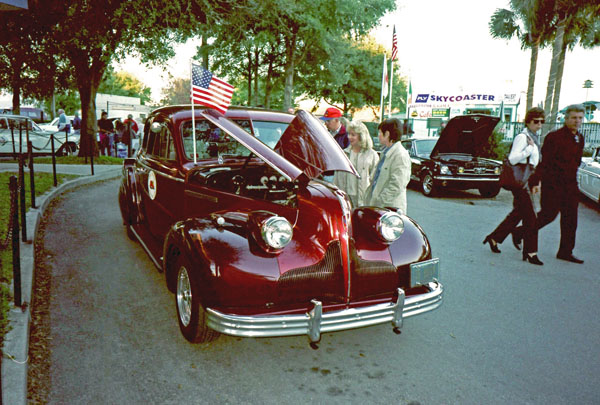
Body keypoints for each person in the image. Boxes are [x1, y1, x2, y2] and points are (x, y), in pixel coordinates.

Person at [514, 104, 586, 264]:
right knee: (548, 215)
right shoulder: (554, 137)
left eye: (580, 118)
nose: (577, 121)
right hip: (552, 184)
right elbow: (544, 162)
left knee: (570, 219)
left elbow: (577, 161)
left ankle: (565, 251)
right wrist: (535, 182)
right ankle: (520, 232)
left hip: (571, 185)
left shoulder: (579, 138)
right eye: (574, 118)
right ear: (566, 119)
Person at [483, 107, 544, 265]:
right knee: (531, 218)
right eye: (536, 121)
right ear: (528, 121)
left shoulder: (534, 137)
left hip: (526, 181)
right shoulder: (523, 138)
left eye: (541, 122)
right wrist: (529, 150)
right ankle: (531, 253)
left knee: (518, 214)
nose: (539, 124)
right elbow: (513, 159)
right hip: (519, 183)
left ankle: (494, 238)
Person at [365, 118, 411, 214]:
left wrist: (380, 202)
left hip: (389, 209)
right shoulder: (385, 152)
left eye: (380, 133)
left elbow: (397, 185)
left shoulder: (400, 155)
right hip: (379, 207)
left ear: (387, 134)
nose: (378, 136)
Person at [333, 121, 380, 207]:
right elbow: (336, 179)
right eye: (349, 134)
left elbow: (376, 180)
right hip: (346, 200)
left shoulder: (372, 155)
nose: (349, 137)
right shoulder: (343, 154)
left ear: (361, 136)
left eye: (353, 135)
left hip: (364, 200)